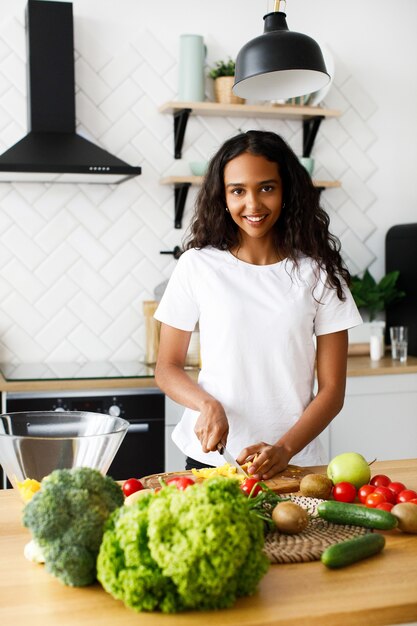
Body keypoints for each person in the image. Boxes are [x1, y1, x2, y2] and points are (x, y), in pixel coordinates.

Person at [154, 130, 362, 480]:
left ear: (286, 191)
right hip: (213, 458)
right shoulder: (197, 265)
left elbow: (332, 392)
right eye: (238, 191)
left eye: (266, 188)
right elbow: (167, 367)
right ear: (222, 197)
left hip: (295, 461)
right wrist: (207, 404)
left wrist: (283, 449)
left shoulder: (320, 273)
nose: (252, 205)